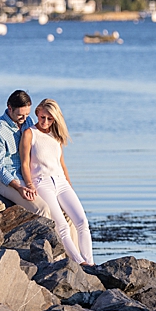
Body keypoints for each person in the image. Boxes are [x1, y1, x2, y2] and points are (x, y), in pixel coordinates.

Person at [19, 98, 94, 265]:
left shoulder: (56, 136)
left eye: (49, 118)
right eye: (42, 117)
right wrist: (29, 184)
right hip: (42, 182)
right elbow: (24, 163)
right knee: (62, 226)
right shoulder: (30, 133)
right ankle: (79, 261)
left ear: (55, 118)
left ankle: (90, 262)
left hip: (61, 182)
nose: (45, 121)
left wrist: (69, 185)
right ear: (37, 112)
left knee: (82, 222)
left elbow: (62, 164)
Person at [0, 90, 52, 217]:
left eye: (27, 114)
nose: (24, 118)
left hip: (29, 177)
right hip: (7, 180)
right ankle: (47, 237)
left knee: (63, 210)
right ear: (10, 108)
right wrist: (19, 187)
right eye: (21, 115)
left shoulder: (27, 121)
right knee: (42, 209)